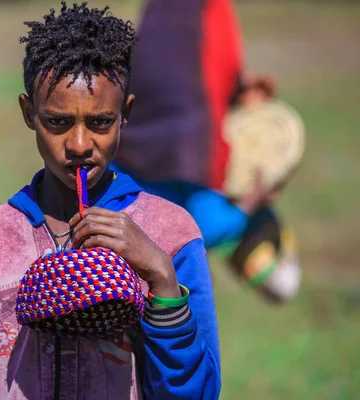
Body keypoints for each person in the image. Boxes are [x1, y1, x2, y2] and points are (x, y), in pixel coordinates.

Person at [0, 2, 221, 399]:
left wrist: (160, 276)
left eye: (100, 122)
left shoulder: (171, 234)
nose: (80, 145)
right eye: (58, 122)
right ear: (28, 112)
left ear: (126, 112)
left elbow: (198, 393)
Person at [112, 0, 301, 303]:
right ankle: (265, 260)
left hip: (139, 137)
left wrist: (239, 89)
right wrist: (252, 200)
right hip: (189, 146)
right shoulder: (210, 8)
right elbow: (193, 235)